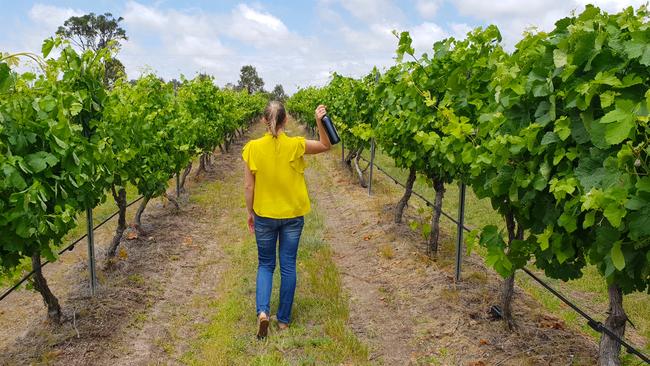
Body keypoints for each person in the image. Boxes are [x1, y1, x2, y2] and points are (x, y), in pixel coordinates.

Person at [242, 101, 332, 339]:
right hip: (292, 215)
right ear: (286, 121)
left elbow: (249, 185)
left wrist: (250, 212)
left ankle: (263, 312)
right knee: (288, 264)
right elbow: (326, 145)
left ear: (263, 121)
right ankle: (283, 320)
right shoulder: (295, 145)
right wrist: (319, 121)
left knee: (266, 264)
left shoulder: (252, 148)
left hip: (265, 215)